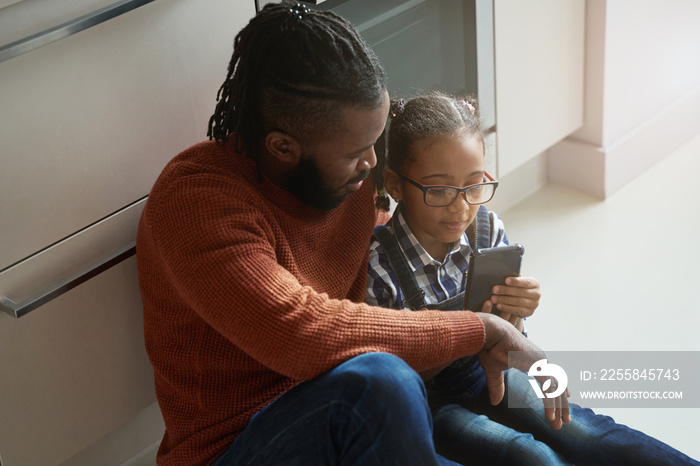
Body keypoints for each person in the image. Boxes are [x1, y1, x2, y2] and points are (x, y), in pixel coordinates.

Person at [136, 2, 569, 465]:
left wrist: (494, 296)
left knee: (545, 455)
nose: (373, 164)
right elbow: (304, 333)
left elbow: (417, 198)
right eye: (357, 153)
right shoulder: (196, 204)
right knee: (382, 379)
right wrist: (478, 330)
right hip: (237, 444)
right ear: (283, 147)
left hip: (348, 409)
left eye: (375, 143)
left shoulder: (346, 167)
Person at [367, 92, 700, 465]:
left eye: (474, 185)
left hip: (491, 371)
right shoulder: (378, 266)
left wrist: (517, 315)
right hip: (432, 403)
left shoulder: (486, 228)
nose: (461, 207)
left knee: (586, 431)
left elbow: (512, 333)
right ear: (395, 185)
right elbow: (393, 379)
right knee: (531, 455)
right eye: (440, 190)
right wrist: (478, 334)